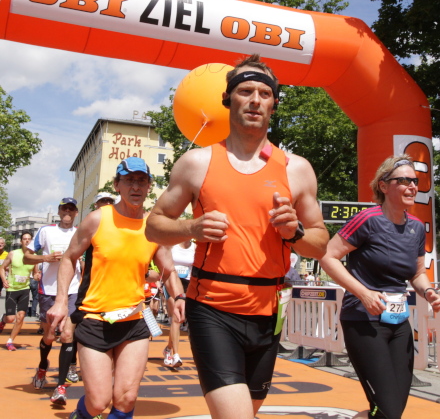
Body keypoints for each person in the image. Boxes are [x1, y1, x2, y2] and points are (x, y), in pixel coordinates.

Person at [145, 54, 328, 419]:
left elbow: (320, 244)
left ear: (274, 104)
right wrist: (191, 227)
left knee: (250, 410)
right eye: (245, 91)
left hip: (268, 313)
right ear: (228, 99)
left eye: (265, 93)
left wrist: (294, 232)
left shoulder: (297, 169)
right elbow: (154, 226)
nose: (255, 100)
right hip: (212, 308)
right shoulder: (197, 163)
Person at [48, 157, 185, 419]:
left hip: (134, 320)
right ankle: (80, 414)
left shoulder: (153, 227)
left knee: (126, 398)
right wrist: (61, 301)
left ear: (149, 186)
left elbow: (168, 270)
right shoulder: (97, 219)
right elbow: (69, 257)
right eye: (129, 180)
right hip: (95, 320)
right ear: (117, 185)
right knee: (98, 402)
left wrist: (179, 296)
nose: (136, 186)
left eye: (142, 181)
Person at [320, 155, 440, 419]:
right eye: (404, 180)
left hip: (398, 323)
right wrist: (363, 293)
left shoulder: (416, 227)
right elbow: (328, 256)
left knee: (393, 409)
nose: (412, 186)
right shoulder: (367, 219)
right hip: (363, 320)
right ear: (383, 186)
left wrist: (429, 292)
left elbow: (418, 274)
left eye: (415, 181)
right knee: (387, 409)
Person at [23, 198, 83, 406]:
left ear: (76, 213)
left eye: (71, 209)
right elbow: (27, 258)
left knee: (67, 335)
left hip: (72, 290)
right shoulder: (46, 231)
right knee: (49, 336)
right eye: (64, 208)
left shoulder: (81, 232)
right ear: (59, 211)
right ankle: (42, 366)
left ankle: (60, 386)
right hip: (48, 290)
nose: (67, 212)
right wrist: (46, 258)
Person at [0, 232, 40, 351]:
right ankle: (3, 319)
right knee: (11, 318)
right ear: (21, 241)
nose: (27, 241)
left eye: (29, 239)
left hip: (24, 289)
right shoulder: (13, 253)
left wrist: (37, 276)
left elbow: (35, 273)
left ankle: (10, 341)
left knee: (20, 317)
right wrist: (4, 280)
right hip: (12, 289)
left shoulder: (34, 256)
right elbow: (2, 268)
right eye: (24, 239)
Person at [163, 238, 195, 367]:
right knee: (176, 318)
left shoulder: (195, 247)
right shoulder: (172, 245)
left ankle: (168, 348)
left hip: (188, 284)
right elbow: (163, 264)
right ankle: (175, 355)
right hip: (172, 283)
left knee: (181, 318)